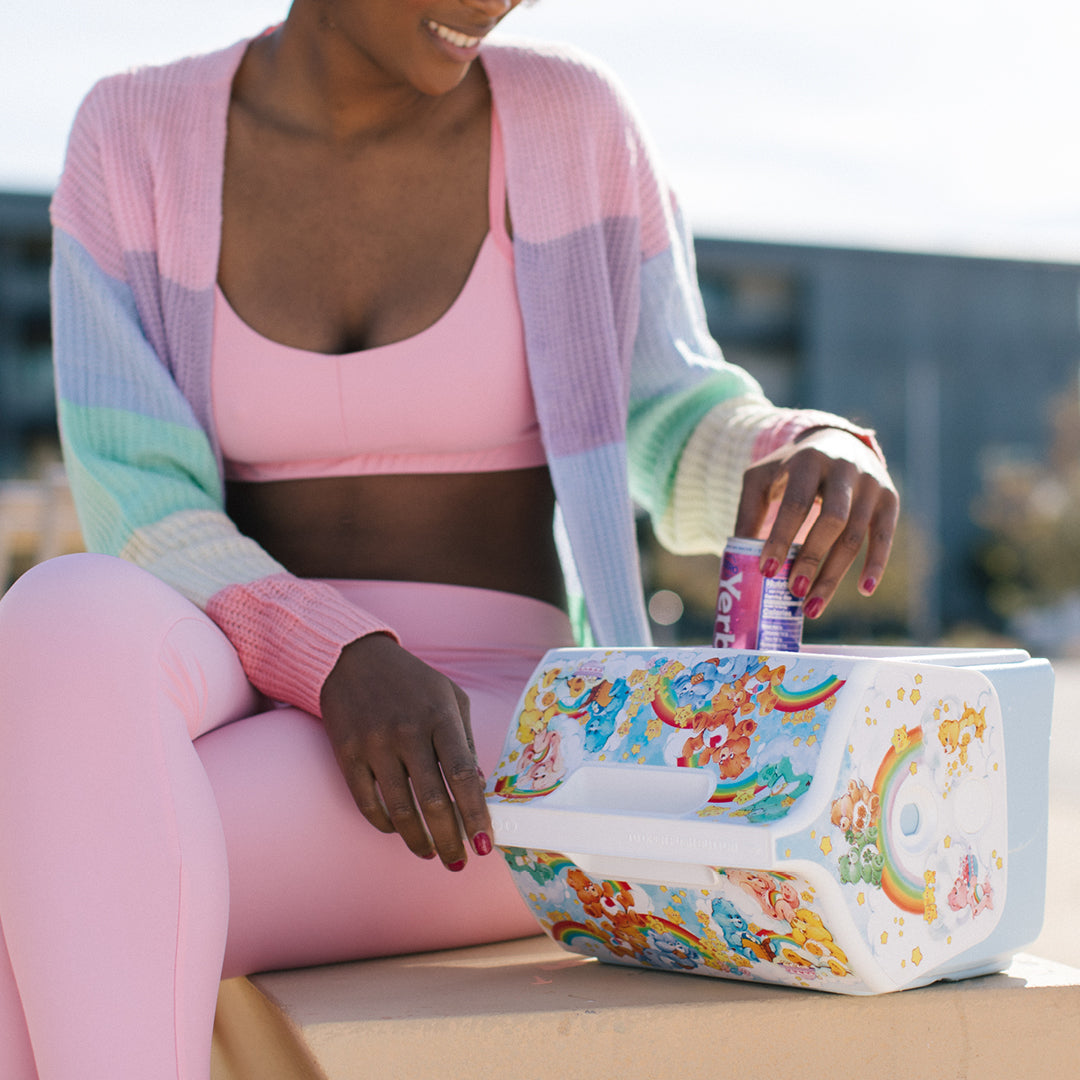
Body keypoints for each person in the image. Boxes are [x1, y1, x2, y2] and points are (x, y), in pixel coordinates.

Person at [0, 2, 898, 1076]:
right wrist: (335, 654)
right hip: (246, 673)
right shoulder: (131, 139)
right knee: (60, 611)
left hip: (503, 738)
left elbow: (668, 414)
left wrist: (804, 444)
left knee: (48, 874)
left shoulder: (570, 121)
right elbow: (138, 504)